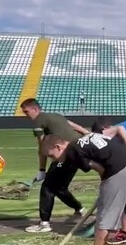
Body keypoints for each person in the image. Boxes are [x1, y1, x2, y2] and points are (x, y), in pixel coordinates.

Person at [41, 131, 126, 245]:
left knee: (105, 217)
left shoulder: (72, 152)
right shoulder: (80, 141)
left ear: (58, 146)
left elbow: (100, 169)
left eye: (51, 156)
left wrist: (106, 188)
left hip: (117, 168)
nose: (53, 160)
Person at [19, 98, 89, 233]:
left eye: (26, 111)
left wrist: (41, 170)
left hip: (65, 157)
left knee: (47, 188)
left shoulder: (38, 120)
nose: (25, 115)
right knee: (59, 188)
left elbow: (42, 147)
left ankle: (44, 224)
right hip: (77, 154)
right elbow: (72, 124)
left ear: (35, 109)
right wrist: (86, 133)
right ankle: (80, 210)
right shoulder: (55, 115)